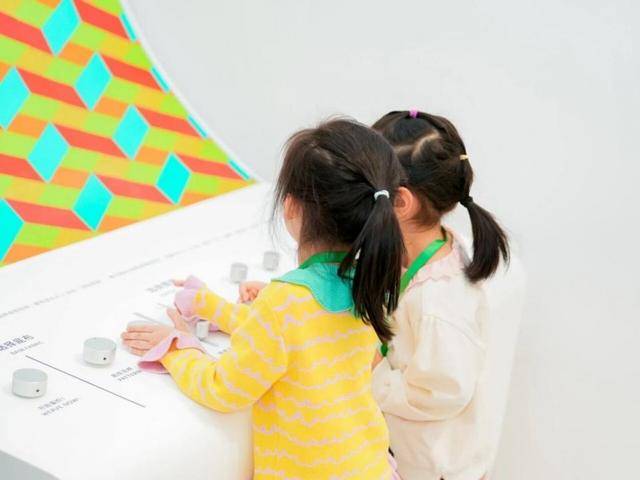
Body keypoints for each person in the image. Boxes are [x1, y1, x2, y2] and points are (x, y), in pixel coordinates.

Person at [122, 119, 405, 479]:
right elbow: (293, 337)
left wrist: (177, 348)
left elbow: (224, 389)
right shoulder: (371, 282)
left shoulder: (285, 302)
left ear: (291, 206)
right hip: (370, 467)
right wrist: (210, 306)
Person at [370, 109, 510, 480]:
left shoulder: (439, 303)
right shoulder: (423, 251)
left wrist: (373, 373)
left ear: (401, 202)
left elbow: (439, 392)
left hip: (436, 469)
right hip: (413, 454)